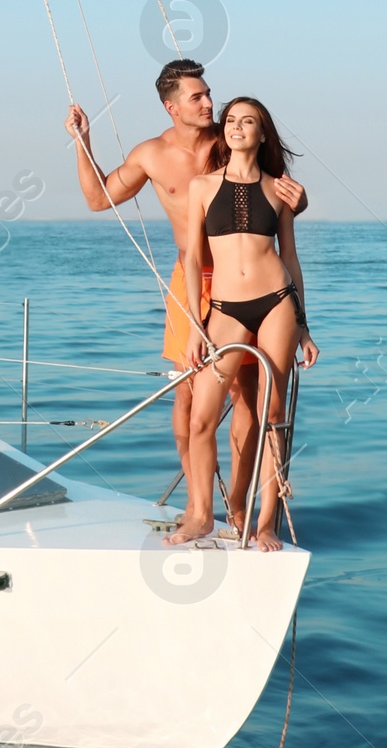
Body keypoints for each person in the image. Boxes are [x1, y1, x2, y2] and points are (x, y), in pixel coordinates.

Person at [65, 59, 305, 483]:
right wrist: (83, 142)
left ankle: (239, 505)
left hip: (249, 284)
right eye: (198, 97)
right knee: (188, 396)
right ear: (171, 107)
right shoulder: (152, 155)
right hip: (191, 283)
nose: (210, 103)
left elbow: (279, 191)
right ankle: (198, 502)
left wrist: (299, 204)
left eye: (209, 93)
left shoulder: (232, 139)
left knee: (246, 396)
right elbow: (98, 199)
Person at [169, 95, 318, 551]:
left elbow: (289, 257)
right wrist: (196, 324)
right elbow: (194, 259)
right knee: (201, 418)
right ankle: (200, 515)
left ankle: (266, 522)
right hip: (226, 311)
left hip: (276, 303)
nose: (235, 127)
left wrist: (305, 327)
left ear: (261, 133)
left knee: (273, 417)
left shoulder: (281, 190)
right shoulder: (201, 186)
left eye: (246, 121)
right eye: (231, 120)